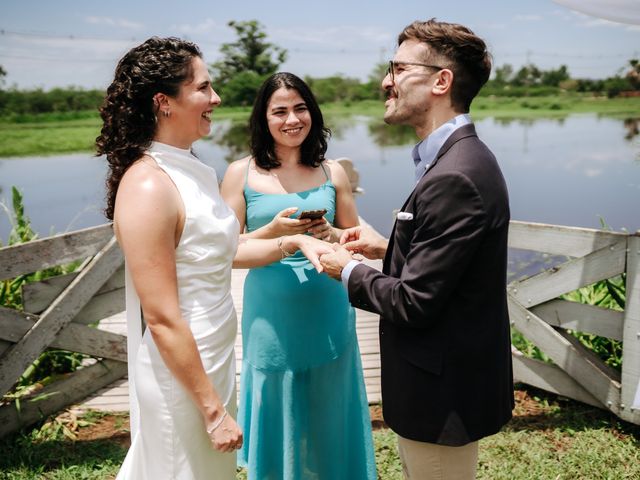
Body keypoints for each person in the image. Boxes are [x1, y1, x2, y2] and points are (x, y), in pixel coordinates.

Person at [96, 38, 332, 480]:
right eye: (203, 88)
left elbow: (222, 252)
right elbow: (163, 316)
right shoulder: (148, 184)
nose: (216, 98)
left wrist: (293, 241)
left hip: (214, 357)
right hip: (183, 375)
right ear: (165, 102)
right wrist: (211, 410)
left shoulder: (193, 169)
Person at [320, 19, 514, 479]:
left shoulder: (455, 175)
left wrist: (346, 268)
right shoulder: (454, 160)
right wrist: (387, 249)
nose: (385, 81)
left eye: (397, 68)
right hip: (441, 387)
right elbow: (453, 265)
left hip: (442, 397)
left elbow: (414, 303)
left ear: (440, 81)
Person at [221, 72, 377, 480]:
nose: (292, 119)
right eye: (280, 111)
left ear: (313, 112)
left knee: (329, 404)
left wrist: (334, 235)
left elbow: (353, 241)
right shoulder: (240, 173)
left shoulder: (332, 172)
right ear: (263, 118)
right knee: (277, 397)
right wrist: (277, 233)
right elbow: (227, 250)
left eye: (300, 108)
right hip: (270, 314)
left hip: (328, 306)